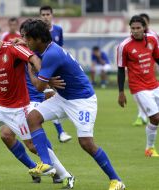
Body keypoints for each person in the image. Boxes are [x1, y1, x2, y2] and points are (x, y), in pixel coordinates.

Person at [0, 23, 74, 189]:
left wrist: (45, 78)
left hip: (18, 109)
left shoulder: (12, 49)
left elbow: (33, 58)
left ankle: (67, 176)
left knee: (34, 146)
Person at [21, 19, 125, 190]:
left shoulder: (51, 54)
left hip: (82, 100)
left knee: (86, 143)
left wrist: (32, 72)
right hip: (63, 98)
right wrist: (47, 79)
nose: (27, 42)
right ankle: (46, 163)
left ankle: (116, 180)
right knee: (33, 118)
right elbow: (44, 78)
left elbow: (39, 87)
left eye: (28, 39)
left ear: (38, 38)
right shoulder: (47, 50)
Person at [0, 19, 74, 186]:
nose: (25, 39)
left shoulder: (37, 53)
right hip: (16, 102)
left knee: (33, 144)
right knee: (6, 135)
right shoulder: (19, 49)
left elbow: (43, 68)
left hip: (30, 100)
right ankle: (37, 169)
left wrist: (48, 83)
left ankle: (64, 175)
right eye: (23, 36)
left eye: (27, 37)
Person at [117, 15, 159, 157]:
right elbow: (121, 69)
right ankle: (149, 149)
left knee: (156, 118)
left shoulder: (152, 40)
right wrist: (121, 92)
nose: (135, 31)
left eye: (138, 28)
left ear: (144, 28)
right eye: (132, 28)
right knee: (155, 117)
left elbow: (157, 58)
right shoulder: (124, 46)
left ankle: (150, 148)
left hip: (154, 84)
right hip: (139, 88)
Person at [40, 5, 72, 142]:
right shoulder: (38, 32)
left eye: (48, 14)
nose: (46, 17)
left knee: (61, 97)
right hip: (43, 71)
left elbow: (61, 49)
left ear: (52, 15)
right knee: (50, 97)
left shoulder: (58, 30)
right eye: (43, 14)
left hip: (57, 70)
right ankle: (61, 132)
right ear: (40, 16)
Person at [132, 13, 158, 127]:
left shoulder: (153, 36)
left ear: (146, 24)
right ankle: (141, 116)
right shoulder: (132, 40)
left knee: (150, 96)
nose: (137, 29)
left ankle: (147, 117)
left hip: (151, 67)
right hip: (139, 73)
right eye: (134, 27)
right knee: (142, 94)